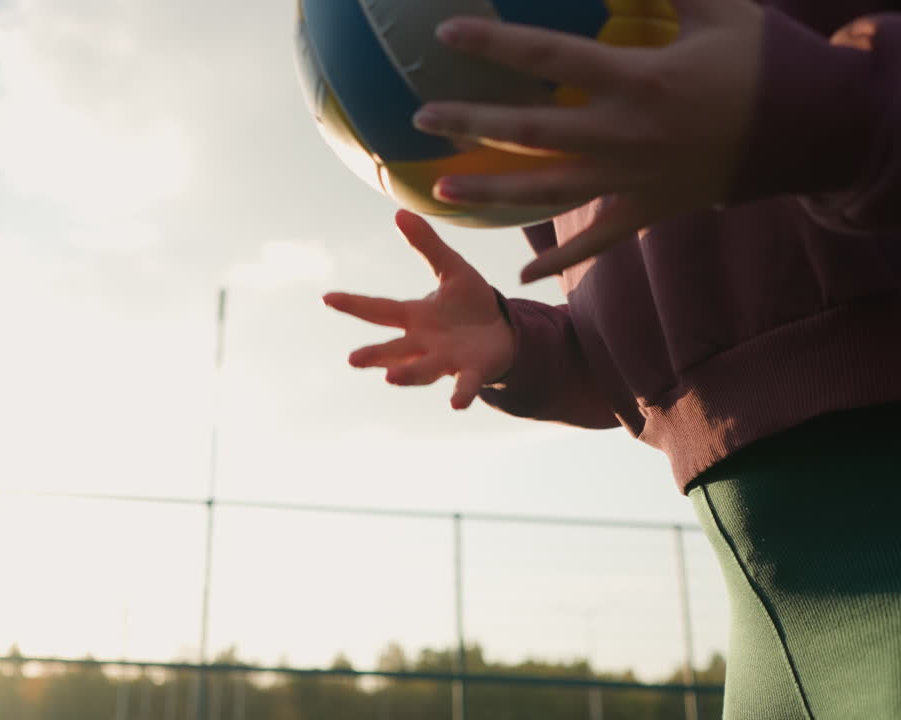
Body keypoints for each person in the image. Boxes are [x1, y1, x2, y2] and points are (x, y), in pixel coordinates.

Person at [323, 0, 901, 717]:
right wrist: (522, 346)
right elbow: (675, 348)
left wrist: (833, 105)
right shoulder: (556, 67)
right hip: (770, 621)